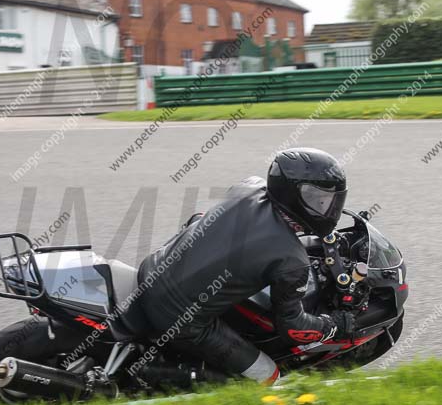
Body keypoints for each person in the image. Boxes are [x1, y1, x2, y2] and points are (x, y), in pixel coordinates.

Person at [137, 148, 353, 384]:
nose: (327, 208)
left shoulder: (248, 186)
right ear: (293, 193)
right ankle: (160, 378)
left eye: (330, 199)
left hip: (153, 267)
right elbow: (292, 328)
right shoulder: (291, 260)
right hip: (175, 318)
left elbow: (205, 218)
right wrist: (332, 326)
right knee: (269, 377)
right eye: (318, 199)